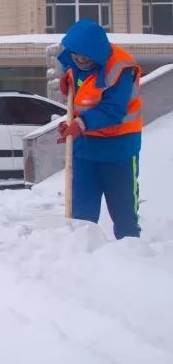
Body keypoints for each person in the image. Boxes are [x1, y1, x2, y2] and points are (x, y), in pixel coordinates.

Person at [56, 19, 142, 239]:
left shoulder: (120, 68)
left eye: (86, 57)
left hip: (119, 150)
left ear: (97, 53)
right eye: (77, 56)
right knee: (82, 214)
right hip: (85, 149)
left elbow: (113, 109)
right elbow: (84, 99)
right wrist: (71, 124)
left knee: (124, 215)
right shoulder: (73, 63)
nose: (81, 61)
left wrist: (80, 124)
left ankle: (132, 259)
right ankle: (82, 258)